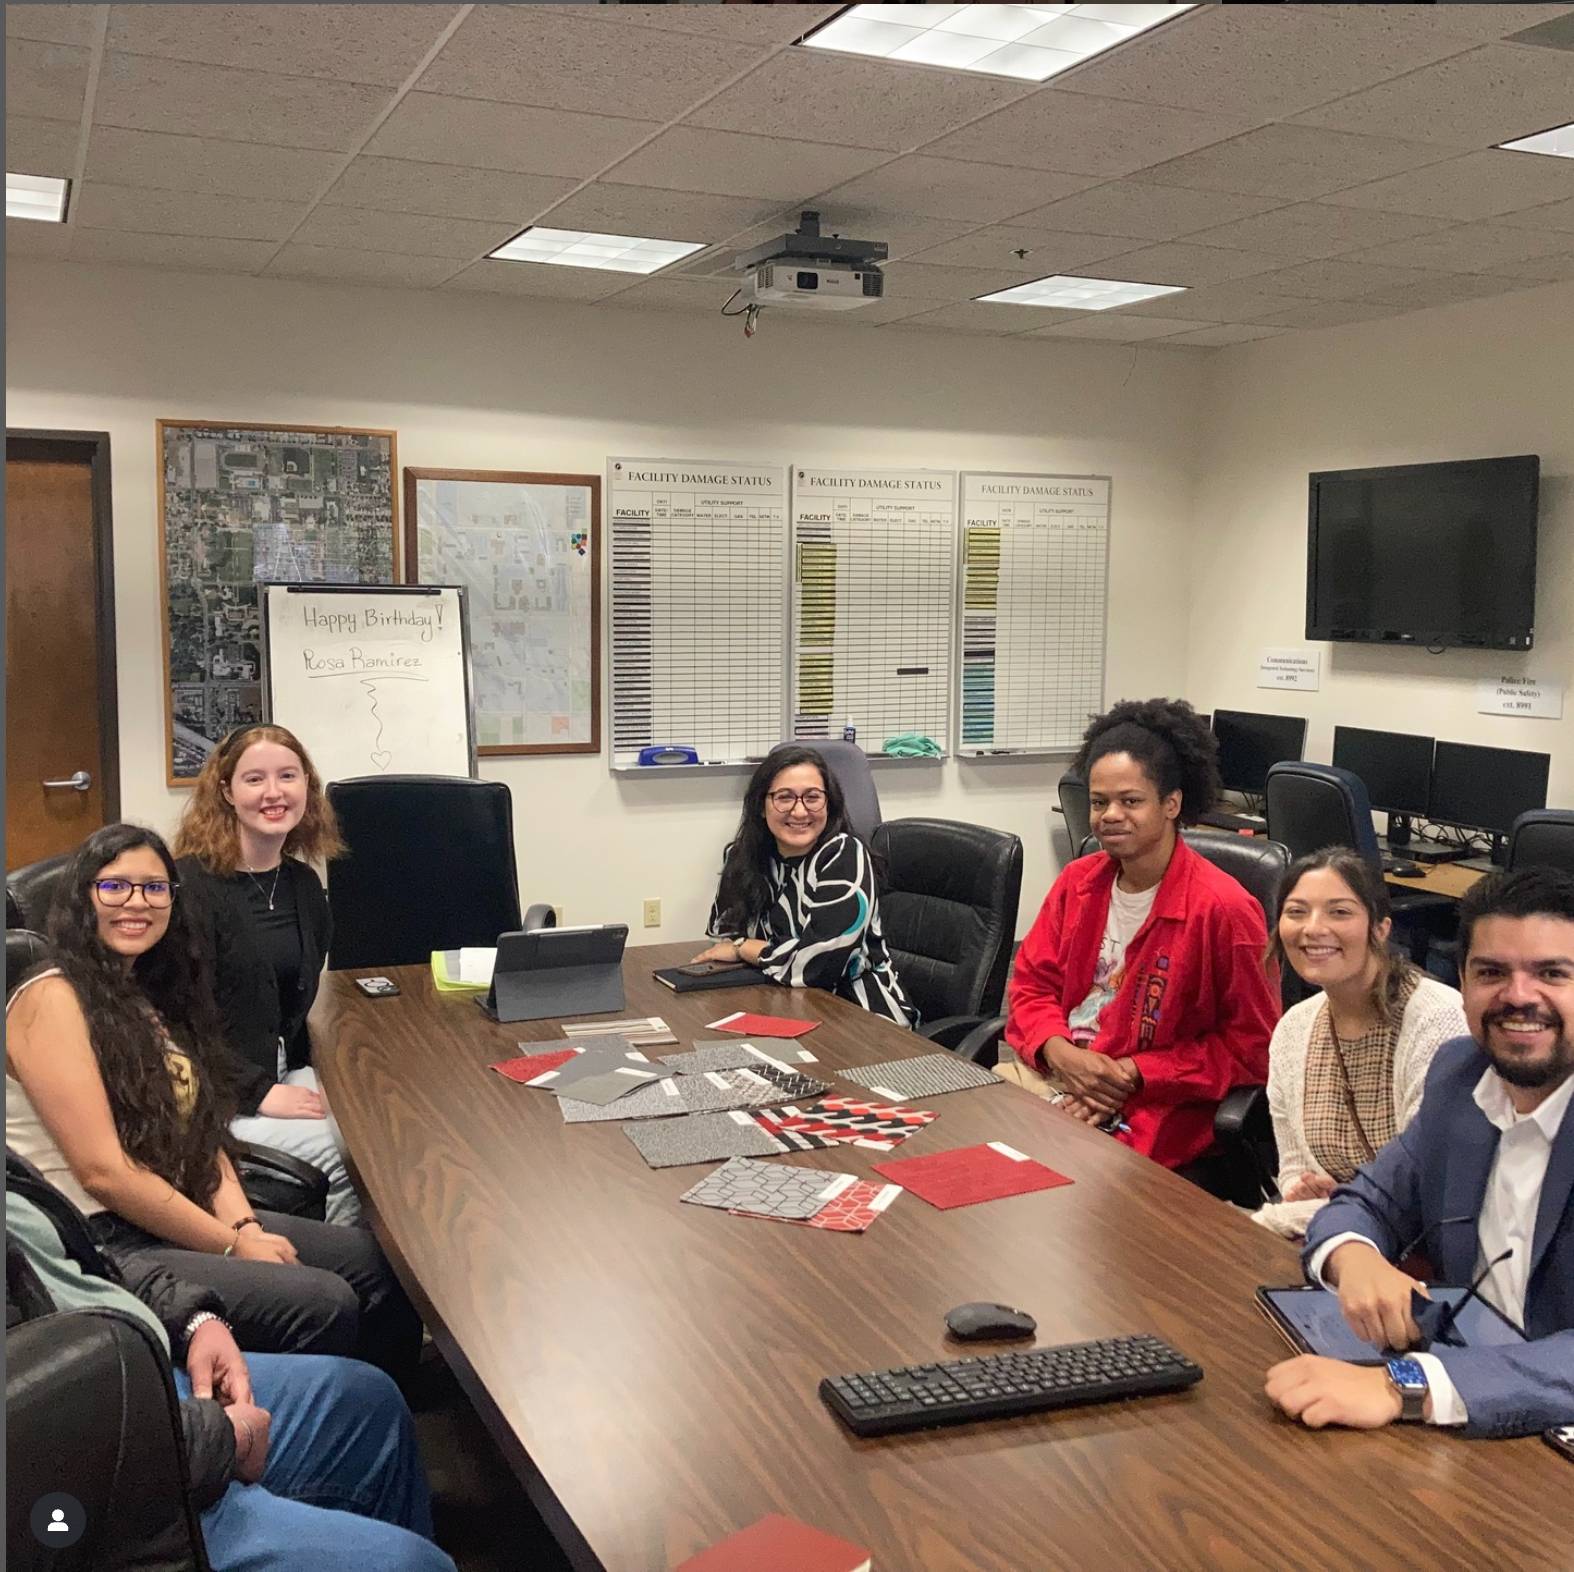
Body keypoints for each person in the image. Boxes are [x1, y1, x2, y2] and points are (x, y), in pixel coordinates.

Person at [5, 822, 420, 1378]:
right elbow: (104, 1173)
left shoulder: (147, 997)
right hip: (102, 1239)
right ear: (83, 898)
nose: (137, 903)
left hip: (169, 1209)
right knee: (323, 1300)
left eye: (155, 888)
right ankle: (290, 1432)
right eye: (115, 887)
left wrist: (245, 1227)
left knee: (379, 1263)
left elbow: (199, 1134)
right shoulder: (50, 996)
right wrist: (230, 1247)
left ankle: (400, 1413)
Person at [6, 1150, 455, 1572]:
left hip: (139, 1378)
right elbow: (43, 1455)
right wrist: (221, 1435)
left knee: (367, 1401)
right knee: (411, 1564)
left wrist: (195, 1319)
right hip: (104, 1487)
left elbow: (85, 1266)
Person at [1266, 866, 1574, 1438]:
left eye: (1551, 973)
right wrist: (1355, 1259)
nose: (1518, 996)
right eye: (1491, 972)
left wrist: (1405, 1384)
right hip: (1472, 1412)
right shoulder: (1461, 1076)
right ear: (1462, 982)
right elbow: (1366, 1200)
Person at [998, 698, 1279, 1173]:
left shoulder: (1224, 911)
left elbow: (1253, 1048)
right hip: (1058, 1073)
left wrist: (1133, 1073)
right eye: (1099, 801)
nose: (1110, 815)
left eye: (1130, 801)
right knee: (960, 1138)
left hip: (1154, 1107)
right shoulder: (1078, 883)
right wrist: (1059, 1051)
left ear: (1172, 803)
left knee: (1051, 1196)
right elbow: (1031, 987)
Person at [174, 724, 359, 1225]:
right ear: (226, 791)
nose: (274, 793)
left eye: (288, 776)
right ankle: (349, 1277)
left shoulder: (302, 885)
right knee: (357, 1155)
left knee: (384, 1118)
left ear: (307, 787)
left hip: (276, 1075)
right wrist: (257, 1092)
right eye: (254, 779)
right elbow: (171, 1028)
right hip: (215, 1103)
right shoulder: (189, 889)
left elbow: (288, 1011)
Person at [1252, 848, 1467, 1239]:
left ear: (1381, 928)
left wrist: (1288, 1217)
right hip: (1334, 1233)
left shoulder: (1439, 1021)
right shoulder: (1293, 1030)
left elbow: (1426, 1189)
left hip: (1418, 1249)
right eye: (1297, 912)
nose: (1313, 928)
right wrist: (1301, 1191)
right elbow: (1294, 1170)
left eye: (1340, 912)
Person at [694, 744, 916, 1027]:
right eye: (784, 798)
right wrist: (745, 949)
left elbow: (818, 967)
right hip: (778, 1004)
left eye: (812, 797)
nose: (799, 812)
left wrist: (744, 949)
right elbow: (720, 939)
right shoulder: (742, 857)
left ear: (829, 803)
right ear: (761, 806)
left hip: (861, 1017)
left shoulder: (844, 855)